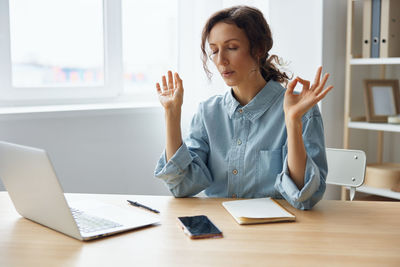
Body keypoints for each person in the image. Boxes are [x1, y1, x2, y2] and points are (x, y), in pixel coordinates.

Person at [154, 6, 333, 210]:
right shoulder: (208, 113)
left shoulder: (302, 110)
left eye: (231, 47)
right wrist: (171, 114)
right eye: (214, 50)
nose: (220, 60)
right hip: (219, 231)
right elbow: (181, 187)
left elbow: (304, 198)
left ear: (258, 49)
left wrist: (293, 122)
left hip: (277, 233)